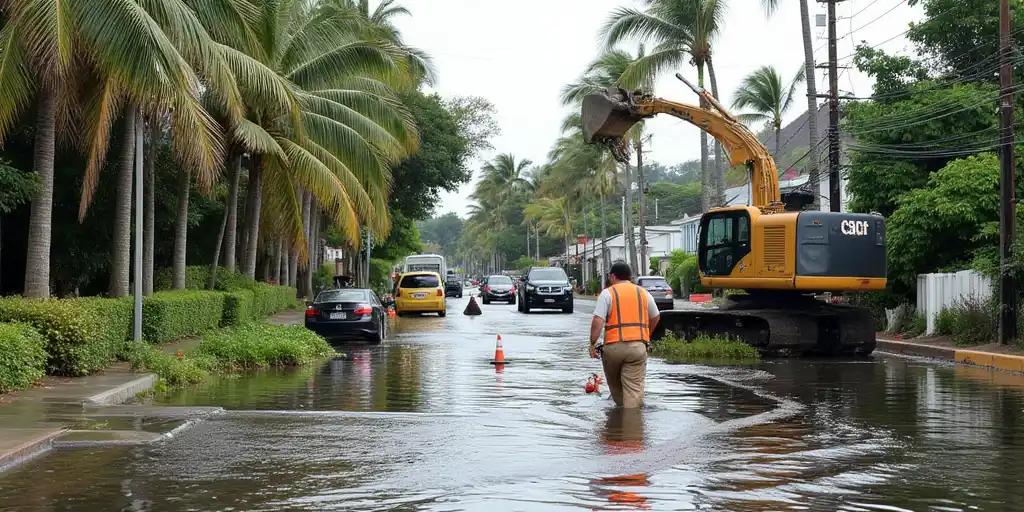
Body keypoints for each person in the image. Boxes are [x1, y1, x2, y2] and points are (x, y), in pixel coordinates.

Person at [589, 261, 660, 408]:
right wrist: (646, 335)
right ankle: (632, 425)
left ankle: (619, 424)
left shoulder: (608, 293)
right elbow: (655, 316)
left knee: (616, 389)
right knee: (633, 390)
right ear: (630, 276)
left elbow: (597, 321)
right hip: (637, 348)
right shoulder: (643, 293)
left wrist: (592, 343)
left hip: (613, 349)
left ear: (613, 276)